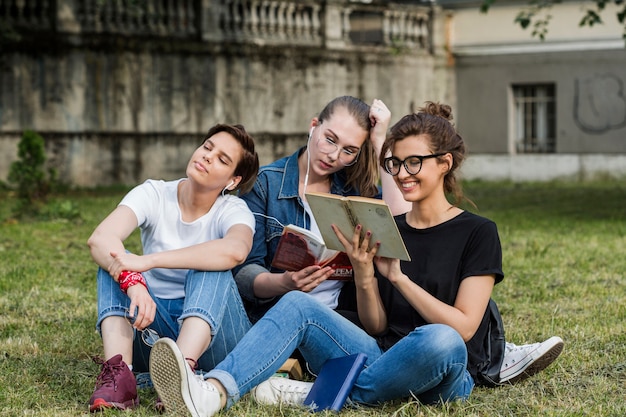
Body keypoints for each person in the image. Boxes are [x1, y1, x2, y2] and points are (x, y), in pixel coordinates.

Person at [147, 102, 562, 417]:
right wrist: (365, 274)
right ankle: (211, 393)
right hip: (380, 352)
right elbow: (379, 326)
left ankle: (321, 393)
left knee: (439, 338)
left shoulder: (477, 231)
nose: (402, 173)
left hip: (443, 364)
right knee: (298, 305)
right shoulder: (385, 225)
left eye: (414, 162)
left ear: (445, 164)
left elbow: (465, 326)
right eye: (395, 163)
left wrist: (399, 279)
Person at [86, 124, 259, 412]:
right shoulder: (155, 193)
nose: (207, 156)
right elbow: (100, 239)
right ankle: (120, 375)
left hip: (215, 339)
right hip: (155, 334)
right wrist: (133, 281)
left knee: (210, 264)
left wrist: (149, 261)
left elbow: (235, 250)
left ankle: (184, 381)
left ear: (232, 180)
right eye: (207, 147)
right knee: (114, 261)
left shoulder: (233, 210)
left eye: (222, 159)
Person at [233, 95, 403, 324]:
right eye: (330, 140)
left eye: (349, 151)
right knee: (297, 304)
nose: (334, 156)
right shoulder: (265, 184)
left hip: (340, 321)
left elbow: (400, 217)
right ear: (314, 126)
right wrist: (284, 283)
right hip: (275, 319)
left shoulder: (355, 190)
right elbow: (244, 275)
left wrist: (380, 141)